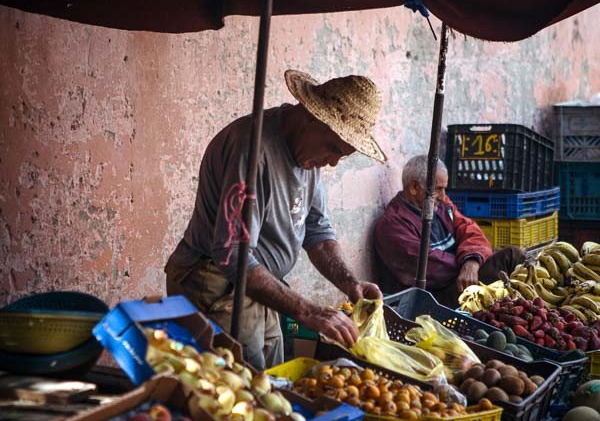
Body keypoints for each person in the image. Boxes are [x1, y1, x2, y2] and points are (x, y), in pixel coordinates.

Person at [165, 69, 386, 370]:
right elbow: (232, 255)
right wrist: (307, 311)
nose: (332, 162)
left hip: (261, 286)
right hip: (218, 285)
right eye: (333, 149)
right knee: (241, 393)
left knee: (271, 383)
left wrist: (350, 283)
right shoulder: (253, 150)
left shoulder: (309, 156)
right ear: (311, 117)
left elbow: (317, 232)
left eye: (342, 156)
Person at [374, 154, 525, 307]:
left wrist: (472, 261)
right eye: (438, 189)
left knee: (513, 256)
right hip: (434, 297)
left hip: (459, 278)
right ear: (414, 187)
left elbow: (470, 230)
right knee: (510, 259)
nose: (443, 196)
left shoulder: (442, 205)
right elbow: (431, 267)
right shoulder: (391, 225)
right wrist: (467, 265)